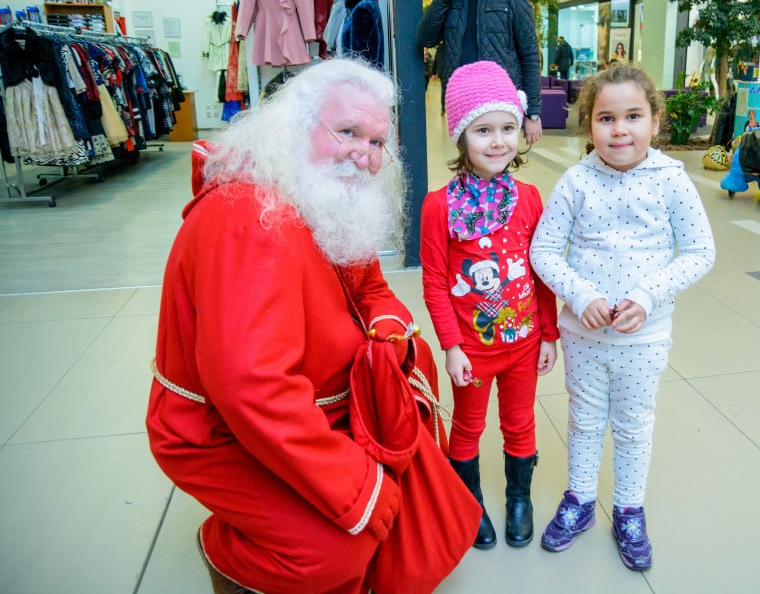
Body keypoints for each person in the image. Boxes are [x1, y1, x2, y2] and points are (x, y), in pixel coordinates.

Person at [146, 59, 481, 594]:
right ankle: (223, 549)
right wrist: (356, 488)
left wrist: (389, 335)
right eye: (348, 132)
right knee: (333, 550)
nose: (365, 155)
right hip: (218, 430)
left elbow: (371, 287)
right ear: (296, 125)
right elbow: (252, 389)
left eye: (376, 142)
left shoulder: (320, 193)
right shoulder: (246, 219)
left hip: (317, 402)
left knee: (395, 503)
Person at [529, 63, 716, 571]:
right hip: (582, 335)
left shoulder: (672, 182)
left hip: (644, 337)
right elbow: (545, 250)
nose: (619, 130)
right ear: (589, 125)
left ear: (655, 121)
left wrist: (649, 295)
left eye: (632, 116)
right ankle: (581, 499)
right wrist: (580, 293)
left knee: (633, 424)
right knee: (584, 418)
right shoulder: (575, 181)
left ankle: (629, 509)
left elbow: (700, 252)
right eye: (605, 118)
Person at [420, 61, 560, 550]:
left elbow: (543, 274)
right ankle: (469, 501)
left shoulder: (529, 199)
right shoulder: (438, 206)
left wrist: (549, 333)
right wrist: (452, 347)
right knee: (468, 426)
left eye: (507, 127)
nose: (498, 141)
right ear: (460, 137)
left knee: (520, 423)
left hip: (523, 346)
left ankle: (518, 498)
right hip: (473, 352)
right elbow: (436, 282)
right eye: (483, 130)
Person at [416, 0, 543, 145]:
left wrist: (533, 112)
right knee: (466, 167)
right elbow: (426, 38)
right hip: (462, 102)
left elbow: (530, 56)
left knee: (497, 163)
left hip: (500, 103)